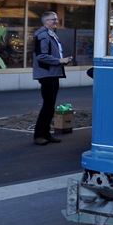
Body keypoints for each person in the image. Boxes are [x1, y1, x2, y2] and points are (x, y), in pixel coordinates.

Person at [32, 11, 71, 145]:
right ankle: (39, 135)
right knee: (48, 106)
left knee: (50, 106)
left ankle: (46, 134)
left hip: (52, 73)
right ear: (46, 21)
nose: (56, 21)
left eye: (56, 19)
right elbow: (41, 56)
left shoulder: (51, 34)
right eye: (52, 19)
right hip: (47, 74)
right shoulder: (43, 35)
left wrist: (61, 61)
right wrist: (60, 61)